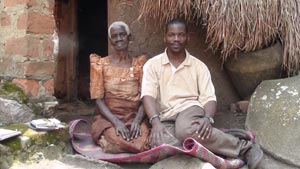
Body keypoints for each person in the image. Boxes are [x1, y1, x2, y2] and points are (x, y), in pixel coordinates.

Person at [141, 18, 263, 169]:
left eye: (181, 35)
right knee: (159, 143)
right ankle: (220, 137)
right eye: (172, 35)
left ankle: (244, 148)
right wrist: (155, 122)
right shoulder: (152, 65)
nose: (176, 39)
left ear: (188, 37)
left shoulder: (199, 66)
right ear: (165, 37)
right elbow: (148, 96)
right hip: (165, 116)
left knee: (185, 130)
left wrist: (207, 118)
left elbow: (209, 99)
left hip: (190, 109)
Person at [90, 21, 149, 153]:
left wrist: (137, 121)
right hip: (110, 118)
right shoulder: (101, 64)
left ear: (129, 37)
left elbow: (146, 96)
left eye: (122, 35)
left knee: (142, 143)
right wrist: (116, 122)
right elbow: (98, 99)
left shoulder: (139, 65)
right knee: (117, 137)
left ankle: (114, 145)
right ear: (111, 41)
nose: (119, 39)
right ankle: (109, 139)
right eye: (114, 36)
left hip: (133, 117)